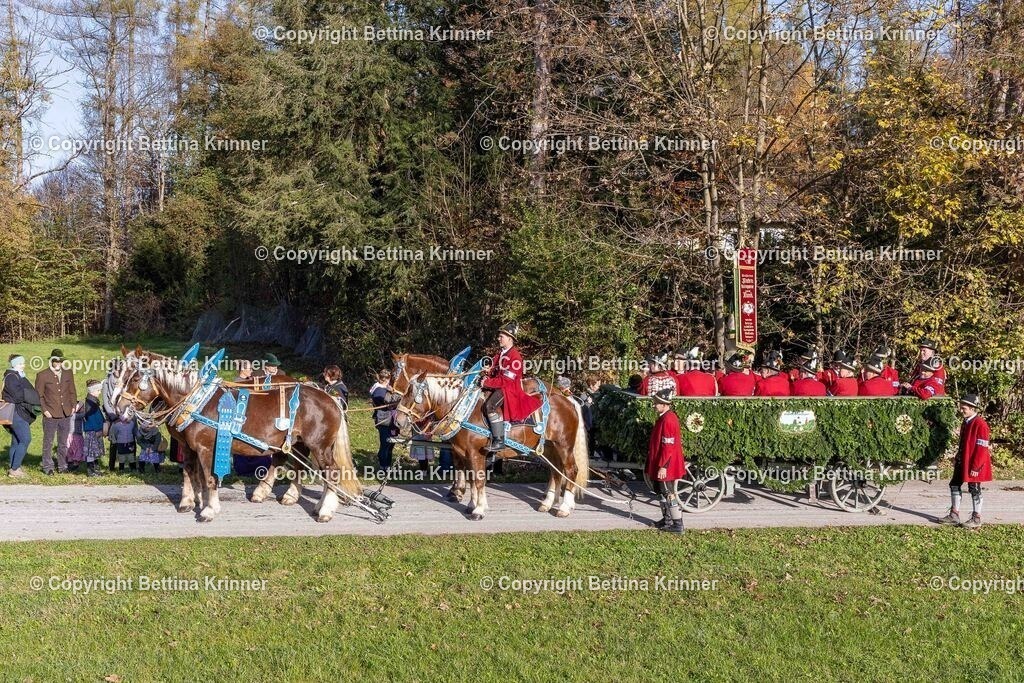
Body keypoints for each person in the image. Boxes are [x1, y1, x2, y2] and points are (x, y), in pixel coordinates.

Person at [480, 323, 542, 453]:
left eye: (501, 336)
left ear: (509, 338)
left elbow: (506, 381)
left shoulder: (515, 357)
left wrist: (487, 383)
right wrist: (487, 372)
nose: (498, 338)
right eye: (499, 336)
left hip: (510, 390)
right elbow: (495, 371)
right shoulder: (500, 354)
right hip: (500, 387)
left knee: (489, 406)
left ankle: (499, 441)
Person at [936, 394, 991, 528]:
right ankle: (954, 514)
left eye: (964, 408)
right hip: (963, 460)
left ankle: (976, 517)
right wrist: (958, 456)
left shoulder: (980, 424)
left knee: (974, 489)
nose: (961, 411)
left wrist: (976, 467)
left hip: (974, 463)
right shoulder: (966, 422)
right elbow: (963, 443)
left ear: (973, 408)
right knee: (954, 484)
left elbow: (981, 448)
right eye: (961, 408)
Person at [645, 389, 686, 533]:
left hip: (666, 465)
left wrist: (663, 466)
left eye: (656, 403)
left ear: (664, 404)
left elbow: (668, 447)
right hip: (660, 462)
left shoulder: (668, 420)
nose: (654, 405)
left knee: (669, 493)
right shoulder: (665, 417)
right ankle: (667, 519)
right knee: (661, 492)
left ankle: (677, 524)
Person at [34, 348, 76, 475]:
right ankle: (48, 467)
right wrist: (44, 410)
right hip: (50, 414)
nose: (58, 363)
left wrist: (73, 405)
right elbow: (39, 396)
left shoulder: (68, 373)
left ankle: (62, 466)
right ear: (51, 361)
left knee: (63, 442)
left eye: (60, 361)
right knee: (48, 441)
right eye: (56, 361)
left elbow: (72, 391)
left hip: (66, 412)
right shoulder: (42, 375)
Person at [2, 355, 39, 478]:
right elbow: (18, 396)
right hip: (16, 413)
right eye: (21, 363)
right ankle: (15, 469)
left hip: (16, 412)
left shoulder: (18, 375)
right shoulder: (12, 377)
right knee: (25, 439)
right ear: (15, 364)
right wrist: (31, 395)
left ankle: (13, 467)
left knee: (16, 441)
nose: (24, 365)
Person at [76, 379, 106, 477]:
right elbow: (91, 418)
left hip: (95, 430)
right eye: (98, 391)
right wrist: (97, 429)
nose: (100, 392)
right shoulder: (90, 403)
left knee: (95, 451)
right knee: (91, 452)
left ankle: (95, 469)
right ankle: (90, 471)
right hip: (92, 430)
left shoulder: (94, 401)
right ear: (92, 391)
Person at [370, 369, 397, 473]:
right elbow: (389, 400)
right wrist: (392, 392)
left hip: (391, 420)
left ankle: (388, 465)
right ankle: (383, 466)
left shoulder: (383, 388)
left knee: (391, 443)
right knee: (385, 444)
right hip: (384, 419)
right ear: (387, 379)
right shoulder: (379, 390)